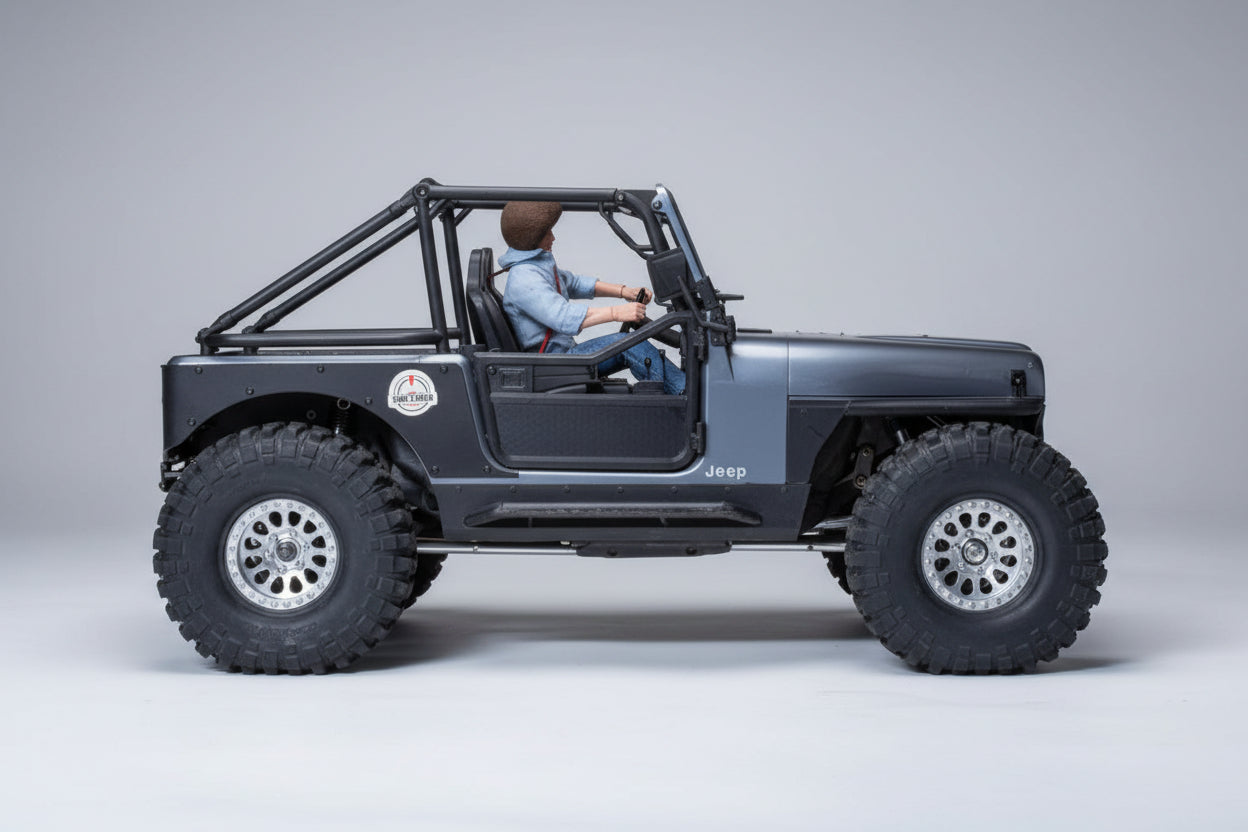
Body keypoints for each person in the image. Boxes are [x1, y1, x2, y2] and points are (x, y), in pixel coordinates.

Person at [497, 201, 686, 395]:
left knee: (630, 343)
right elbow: (563, 317)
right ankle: (683, 394)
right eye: (547, 233)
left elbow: (573, 283)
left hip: (559, 358)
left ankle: (671, 398)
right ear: (532, 238)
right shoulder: (524, 278)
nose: (553, 237)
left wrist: (623, 291)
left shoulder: (535, 267)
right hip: (552, 364)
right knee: (632, 345)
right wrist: (617, 313)